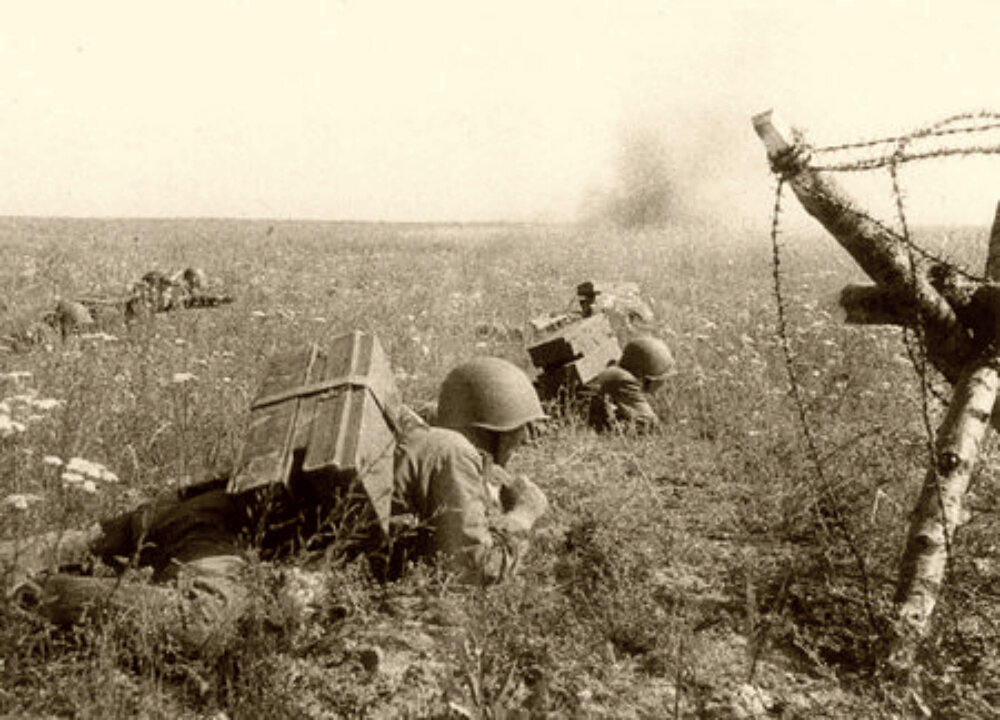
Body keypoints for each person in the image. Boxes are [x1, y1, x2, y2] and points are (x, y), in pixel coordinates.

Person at [0, 357, 548, 649]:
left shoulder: (416, 433)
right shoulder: (453, 453)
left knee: (59, 544)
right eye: (522, 430)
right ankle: (33, 597)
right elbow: (471, 570)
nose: (524, 442)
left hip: (197, 501)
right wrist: (524, 516)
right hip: (221, 535)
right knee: (203, 623)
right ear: (497, 427)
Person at [587, 335, 676, 433]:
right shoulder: (624, 381)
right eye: (661, 379)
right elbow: (649, 423)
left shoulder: (617, 373)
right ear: (648, 378)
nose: (663, 384)